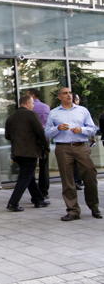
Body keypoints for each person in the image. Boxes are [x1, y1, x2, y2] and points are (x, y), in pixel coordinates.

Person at [45, 87, 101, 221]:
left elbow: (93, 128)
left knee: (90, 176)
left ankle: (94, 207)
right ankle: (73, 211)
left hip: (81, 146)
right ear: (60, 97)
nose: (69, 95)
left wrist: (81, 129)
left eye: (70, 93)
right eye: (65, 93)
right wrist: (57, 128)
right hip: (63, 148)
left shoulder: (82, 110)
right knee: (67, 180)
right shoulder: (54, 113)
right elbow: (47, 133)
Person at [4, 95, 51, 211]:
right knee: (25, 177)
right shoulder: (31, 114)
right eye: (33, 103)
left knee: (28, 176)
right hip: (29, 151)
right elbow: (40, 131)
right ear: (28, 103)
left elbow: (7, 135)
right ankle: (13, 203)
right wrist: (46, 146)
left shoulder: (11, 117)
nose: (33, 106)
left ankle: (38, 199)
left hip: (17, 152)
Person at [26, 88, 51, 199]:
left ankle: (35, 192)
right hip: (45, 136)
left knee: (31, 164)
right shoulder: (46, 107)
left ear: (32, 95)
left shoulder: (29, 108)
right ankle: (44, 191)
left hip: (32, 138)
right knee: (44, 165)